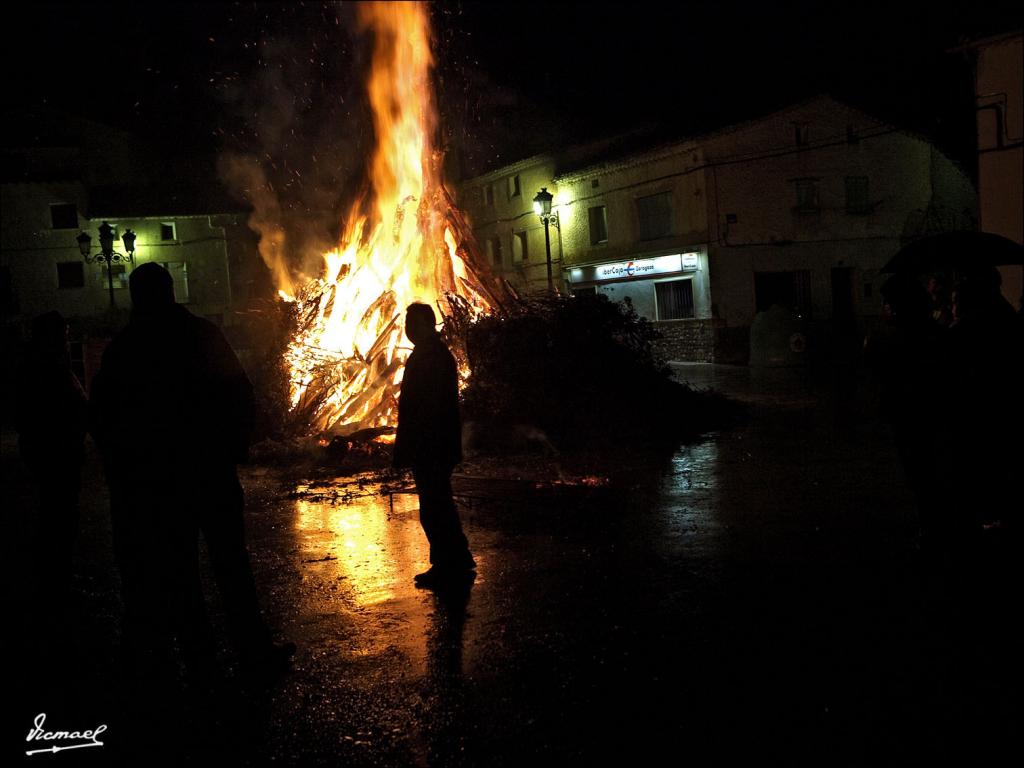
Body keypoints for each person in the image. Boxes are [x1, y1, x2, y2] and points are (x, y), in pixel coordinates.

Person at [90, 262, 292, 685]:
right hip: (210, 472)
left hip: (160, 483)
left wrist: (126, 478)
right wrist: (235, 447)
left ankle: (201, 661)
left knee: (181, 571)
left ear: (137, 298)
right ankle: (253, 651)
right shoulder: (201, 334)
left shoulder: (126, 349)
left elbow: (106, 419)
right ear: (170, 292)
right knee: (231, 564)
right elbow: (240, 394)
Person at [393, 303, 475, 588]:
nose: (410, 329)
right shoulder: (429, 353)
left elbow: (427, 407)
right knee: (439, 504)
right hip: (432, 444)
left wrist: (415, 445)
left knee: (434, 507)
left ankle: (446, 565)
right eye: (407, 324)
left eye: (415, 323)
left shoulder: (432, 356)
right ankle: (457, 558)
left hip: (432, 445)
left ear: (429, 324)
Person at [15, 311, 88, 602]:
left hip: (53, 452)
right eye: (64, 334)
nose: (67, 339)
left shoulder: (41, 366)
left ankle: (57, 576)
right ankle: (56, 581)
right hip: (57, 454)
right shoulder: (47, 369)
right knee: (59, 515)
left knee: (57, 513)